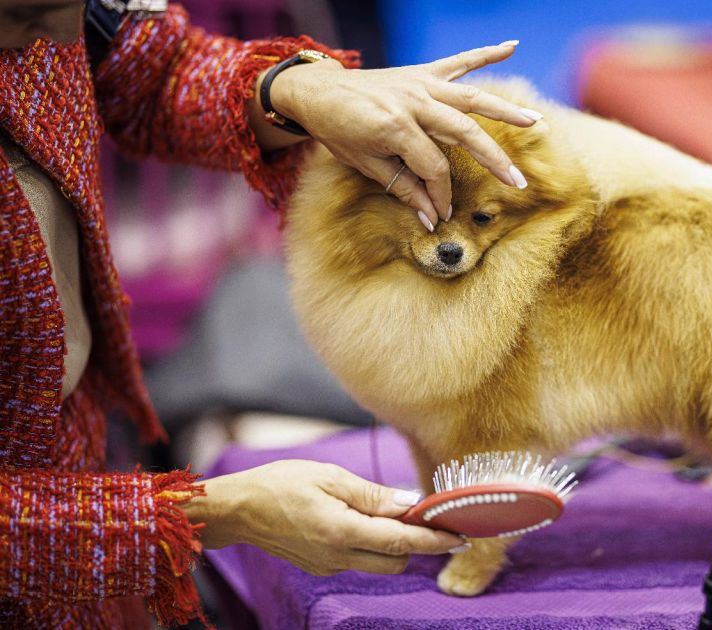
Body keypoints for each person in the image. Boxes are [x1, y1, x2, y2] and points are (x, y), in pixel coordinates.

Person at [0, 0, 542, 626]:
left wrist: (294, 89)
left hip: (84, 470)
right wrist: (216, 514)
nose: (64, 35)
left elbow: (143, 69)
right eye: (23, 17)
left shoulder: (64, 24)